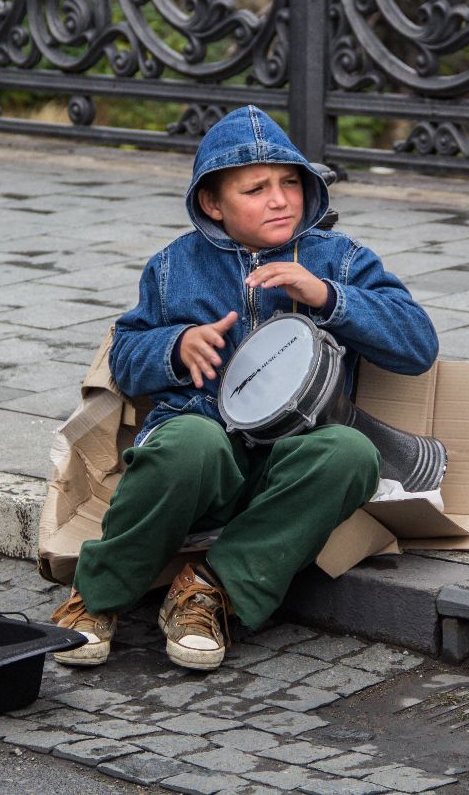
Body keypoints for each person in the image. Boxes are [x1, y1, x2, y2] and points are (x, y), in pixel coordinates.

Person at [51, 105, 438, 671]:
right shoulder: (172, 267)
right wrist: (175, 347)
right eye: (256, 189)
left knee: (351, 453)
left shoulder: (341, 258)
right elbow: (126, 358)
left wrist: (329, 297)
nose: (279, 199)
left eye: (290, 183)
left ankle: (210, 589)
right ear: (213, 203)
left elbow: (418, 345)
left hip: (291, 468)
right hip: (201, 455)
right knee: (186, 443)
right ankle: (99, 595)